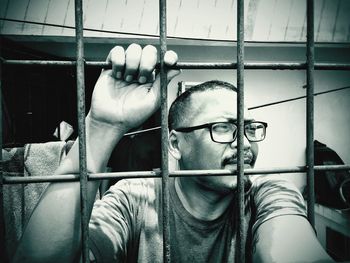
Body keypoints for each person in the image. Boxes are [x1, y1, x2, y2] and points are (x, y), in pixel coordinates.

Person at [12, 43, 334, 263]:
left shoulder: (268, 193)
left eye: (251, 128)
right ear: (175, 144)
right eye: (223, 128)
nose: (245, 143)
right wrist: (101, 127)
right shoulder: (133, 198)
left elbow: (292, 247)